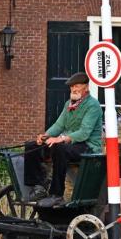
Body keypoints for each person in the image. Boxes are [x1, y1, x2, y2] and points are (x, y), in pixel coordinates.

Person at [24, 72, 103, 207]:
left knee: (60, 148)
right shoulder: (69, 104)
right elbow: (59, 125)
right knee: (32, 146)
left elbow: (84, 133)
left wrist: (61, 139)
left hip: (88, 146)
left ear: (86, 87)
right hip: (70, 143)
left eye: (77, 86)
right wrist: (46, 136)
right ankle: (39, 187)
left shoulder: (93, 105)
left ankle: (57, 195)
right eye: (72, 87)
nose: (74, 89)